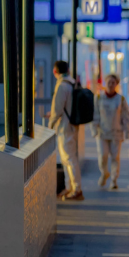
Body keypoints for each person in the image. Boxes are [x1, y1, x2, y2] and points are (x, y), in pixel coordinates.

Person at [48, 60, 83, 201]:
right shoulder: (72, 83)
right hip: (71, 124)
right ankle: (70, 187)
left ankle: (76, 189)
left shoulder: (62, 86)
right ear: (68, 70)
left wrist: (50, 124)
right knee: (67, 158)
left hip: (65, 127)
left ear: (55, 71)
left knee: (69, 158)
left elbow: (57, 109)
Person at [92, 73, 129, 189]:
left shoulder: (121, 99)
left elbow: (126, 116)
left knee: (115, 157)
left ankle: (114, 179)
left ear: (116, 84)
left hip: (116, 133)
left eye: (113, 83)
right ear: (105, 83)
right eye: (109, 82)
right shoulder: (99, 98)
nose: (110, 85)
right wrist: (94, 129)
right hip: (102, 133)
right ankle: (104, 173)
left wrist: (127, 132)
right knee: (102, 156)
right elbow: (95, 114)